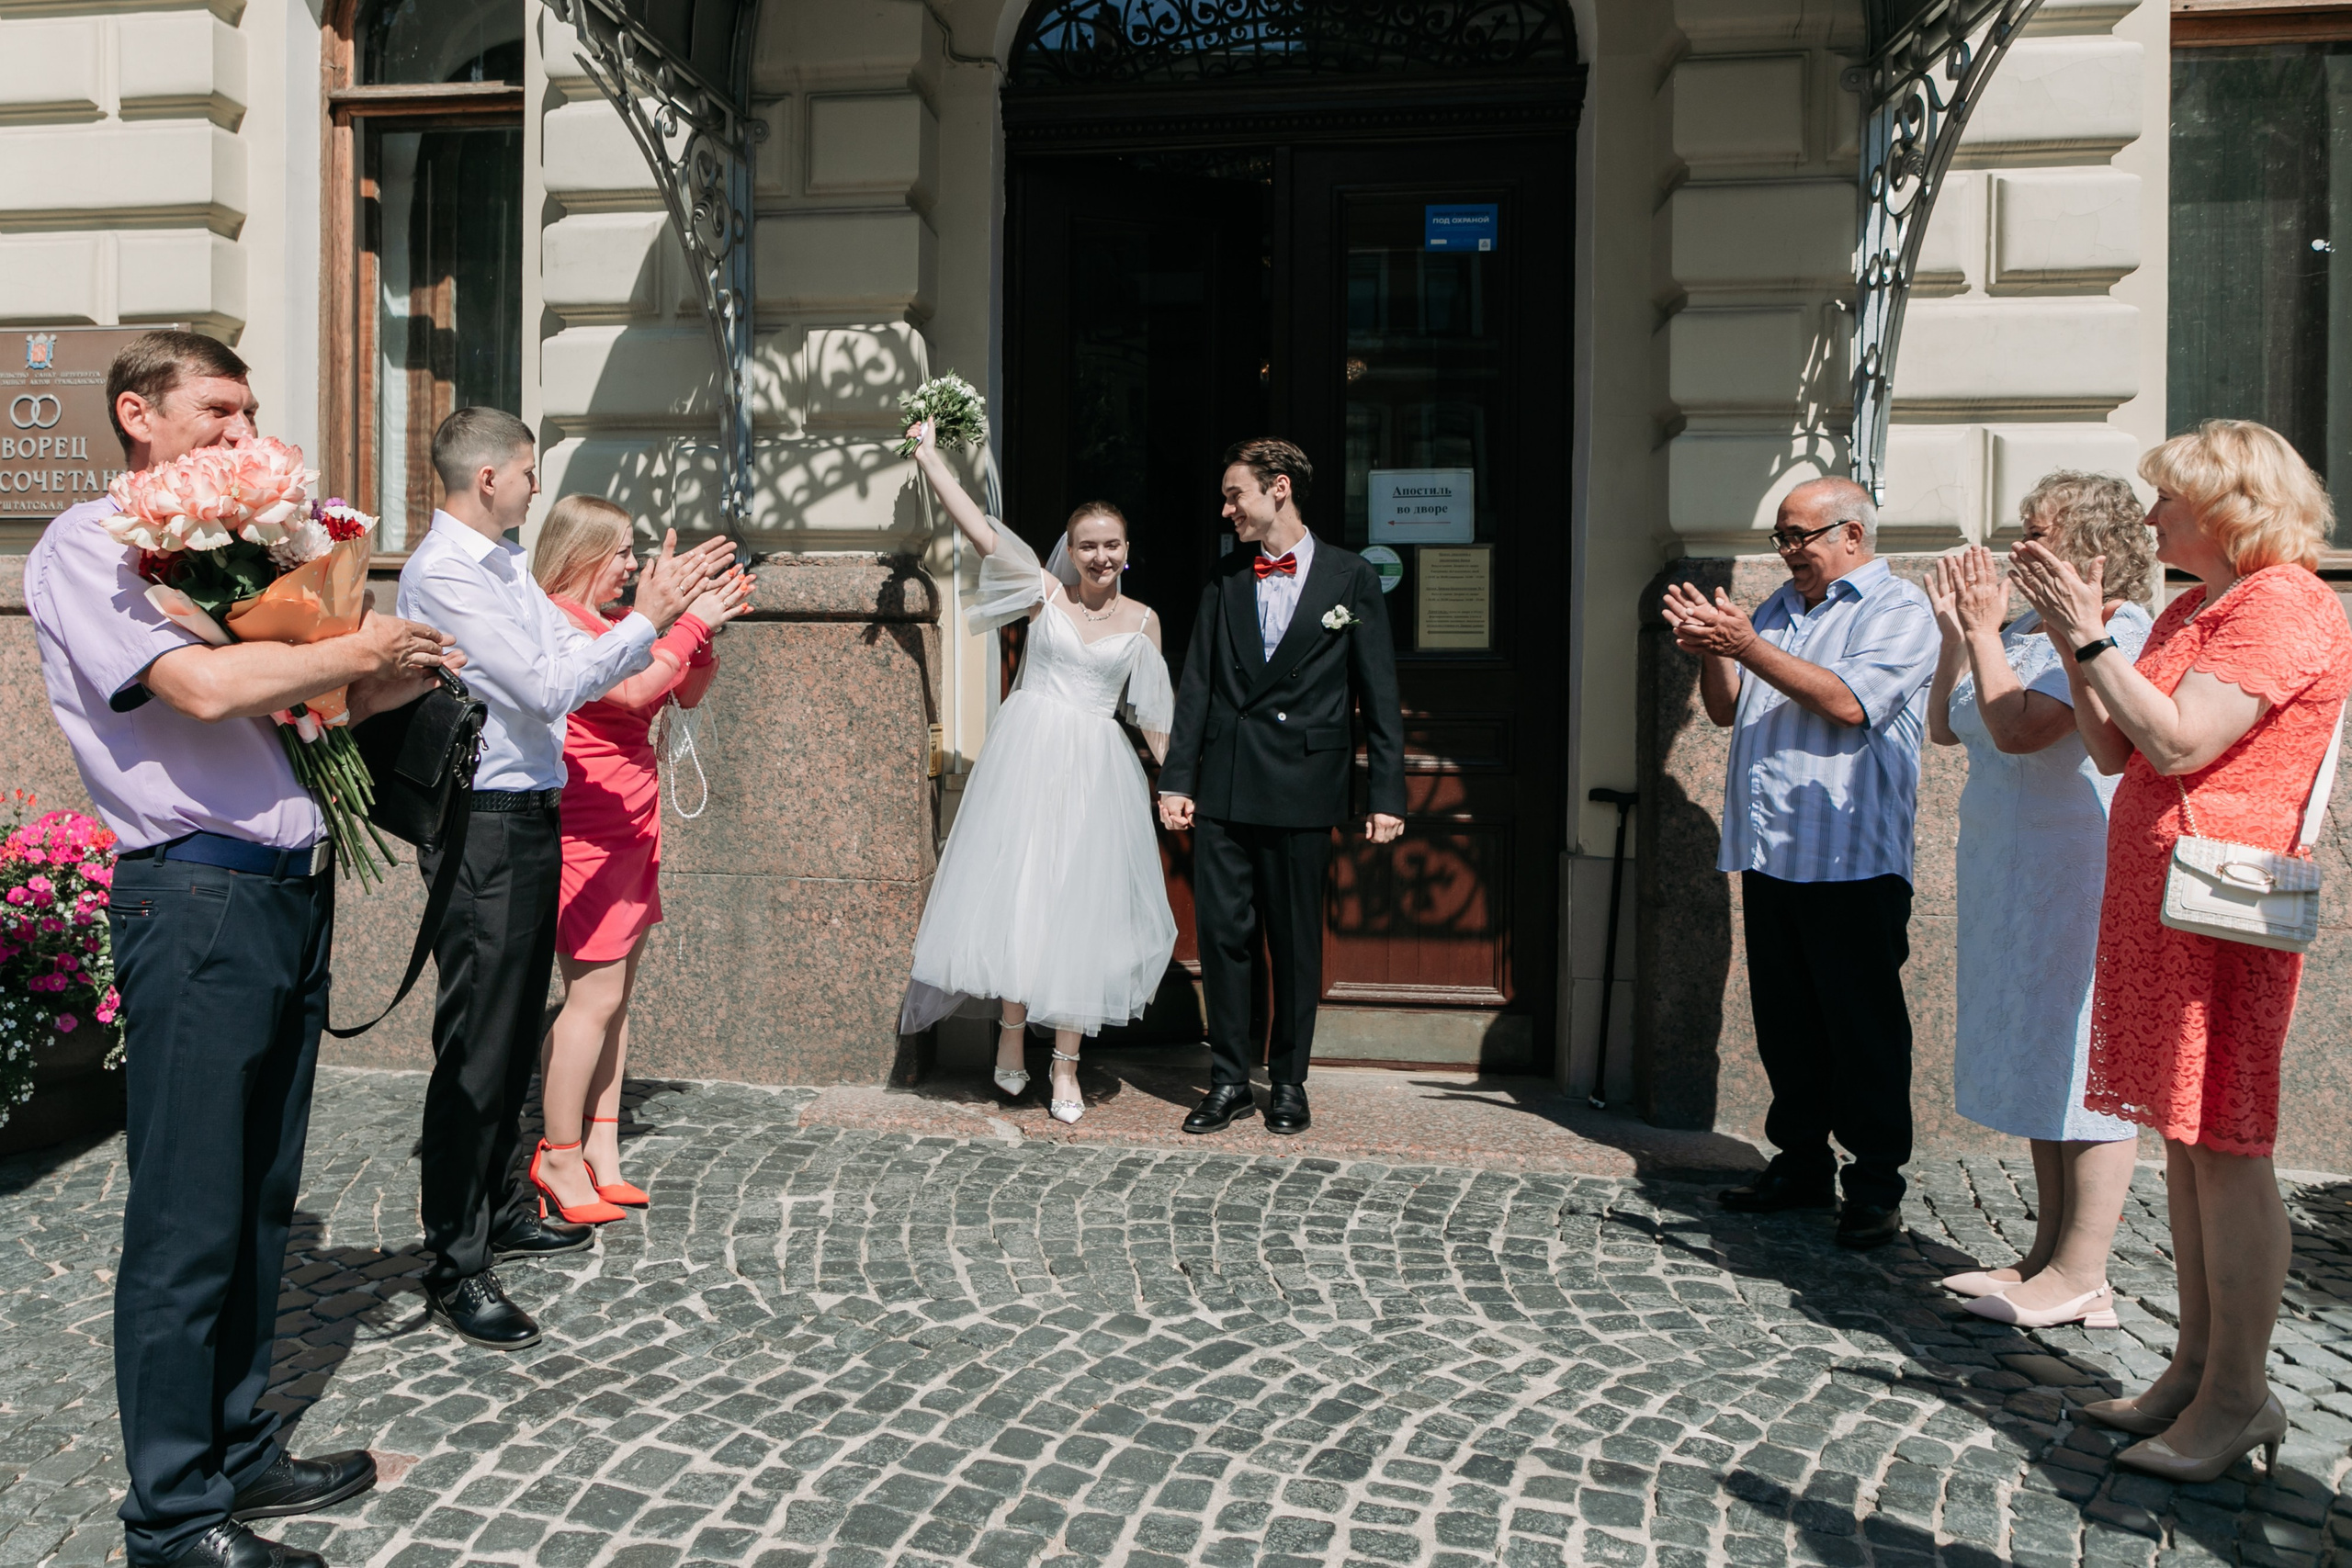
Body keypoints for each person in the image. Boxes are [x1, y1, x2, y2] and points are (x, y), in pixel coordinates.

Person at [27, 331, 460, 1568]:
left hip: (282, 889)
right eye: (218, 410)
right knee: (188, 1216)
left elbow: (296, 716)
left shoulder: (231, 558)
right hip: (194, 894)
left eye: (250, 412)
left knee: (260, 1196)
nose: (242, 432)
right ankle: (171, 1515)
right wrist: (355, 646)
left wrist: (385, 680)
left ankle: (235, 1445)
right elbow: (205, 694)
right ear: (138, 414)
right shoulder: (90, 546)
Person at [2013, 419, 2352, 1483]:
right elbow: (2114, 745)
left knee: (2227, 1145)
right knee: (2185, 1140)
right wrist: (2073, 639)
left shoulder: (2282, 602)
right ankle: (2195, 1372)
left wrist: (2090, 639)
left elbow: (2179, 740)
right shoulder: (2192, 604)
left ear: (2224, 507)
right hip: (2163, 909)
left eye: (2167, 496)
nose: (2149, 512)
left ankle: (2237, 1397)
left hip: (2222, 913)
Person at [396, 409, 733, 1349]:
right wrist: (656, 619)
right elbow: (549, 687)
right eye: (527, 470)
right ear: (489, 478)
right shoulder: (447, 572)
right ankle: (455, 1264)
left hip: (534, 813)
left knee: (510, 1036)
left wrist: (654, 617)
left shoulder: (506, 565)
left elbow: (570, 664)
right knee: (477, 1043)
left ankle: (503, 1206)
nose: (536, 485)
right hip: (483, 821)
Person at [1662, 476, 1939, 1249]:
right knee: (1786, 1023)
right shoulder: (1780, 609)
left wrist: (1745, 644)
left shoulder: (1898, 609)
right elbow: (1727, 707)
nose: (1787, 551)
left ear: (1852, 534)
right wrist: (1712, 652)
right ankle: (1802, 1163)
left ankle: (1875, 1183)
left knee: (1862, 1028)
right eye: (1781, 537)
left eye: (1799, 536)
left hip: (1851, 855)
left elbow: (1852, 702)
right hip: (1772, 847)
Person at [897, 421, 1177, 1122]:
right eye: (1089, 545)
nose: (1101, 555)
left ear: (1127, 550)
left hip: (1098, 774)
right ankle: (1013, 1032)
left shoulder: (1144, 622)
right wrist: (930, 458)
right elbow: (981, 532)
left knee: (1080, 910)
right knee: (1022, 895)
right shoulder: (1047, 594)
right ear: (1070, 550)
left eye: (1112, 544)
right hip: (1028, 763)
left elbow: (1154, 718)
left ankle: (1067, 1065)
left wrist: (1177, 784)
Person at [1925, 473, 2154, 1325]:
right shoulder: (2019, 624)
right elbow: (1948, 725)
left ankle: (2085, 1269)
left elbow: (2020, 727)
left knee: (2083, 1054)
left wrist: (1984, 631)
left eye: (2038, 529)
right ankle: (2045, 1255)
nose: (2018, 543)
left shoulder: (2117, 622)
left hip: (2076, 862)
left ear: (2087, 541)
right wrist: (1958, 634)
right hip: (2005, 862)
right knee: (2037, 1047)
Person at [1157, 439, 1407, 1136]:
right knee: (1224, 938)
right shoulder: (1225, 577)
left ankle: (1289, 1081)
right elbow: (1198, 684)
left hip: (1304, 783)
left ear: (1280, 489)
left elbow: (1379, 691)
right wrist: (1177, 779)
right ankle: (1229, 1079)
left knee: (1295, 942)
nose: (1226, 509)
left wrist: (1386, 793)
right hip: (1228, 782)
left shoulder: (1352, 577)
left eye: (1235, 494)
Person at [529, 495, 752, 1221]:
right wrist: (688, 620)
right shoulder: (559, 619)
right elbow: (631, 690)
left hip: (632, 825)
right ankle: (557, 1154)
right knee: (591, 999)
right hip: (588, 832)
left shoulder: (612, 621)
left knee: (615, 999)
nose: (633, 565)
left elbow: (684, 689)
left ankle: (601, 1146)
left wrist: (698, 626)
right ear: (583, 552)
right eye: (622, 551)